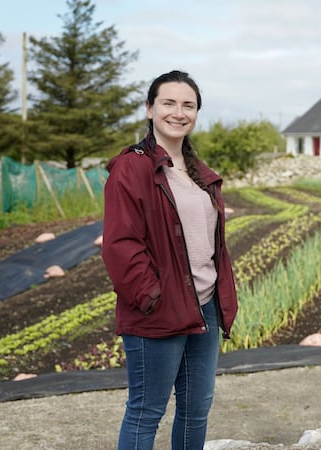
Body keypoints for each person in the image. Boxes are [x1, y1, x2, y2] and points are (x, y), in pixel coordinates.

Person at [102, 70, 238, 450]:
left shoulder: (197, 172)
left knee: (196, 409)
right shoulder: (132, 167)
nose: (179, 113)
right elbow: (120, 244)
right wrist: (152, 297)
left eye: (188, 105)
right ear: (150, 109)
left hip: (204, 306)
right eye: (169, 103)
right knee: (146, 411)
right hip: (159, 310)